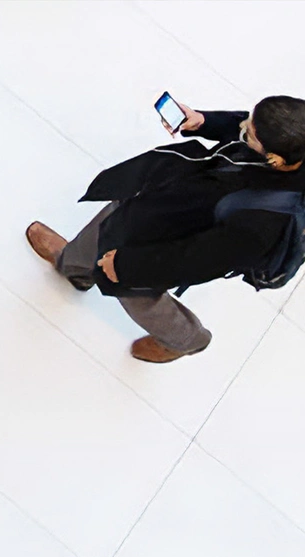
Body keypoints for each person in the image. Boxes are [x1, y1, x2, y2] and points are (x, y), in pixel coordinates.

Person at [27, 95, 305, 362]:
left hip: (169, 243)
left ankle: (185, 339)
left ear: (275, 160)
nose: (242, 126)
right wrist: (203, 122)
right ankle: (74, 268)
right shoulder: (292, 142)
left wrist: (127, 266)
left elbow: (198, 259)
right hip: (163, 200)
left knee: (134, 293)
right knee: (111, 220)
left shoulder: (262, 225)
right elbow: (244, 124)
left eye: (249, 134)